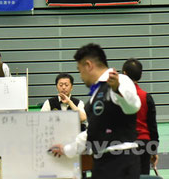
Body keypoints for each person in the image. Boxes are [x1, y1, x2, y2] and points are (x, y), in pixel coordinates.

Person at [49, 43, 141, 179]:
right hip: (102, 161)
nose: (81, 76)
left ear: (88, 65)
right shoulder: (96, 93)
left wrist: (117, 89)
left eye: (80, 70)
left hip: (122, 160)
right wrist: (66, 149)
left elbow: (133, 106)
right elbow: (93, 131)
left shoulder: (120, 80)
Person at [122, 59, 158, 176]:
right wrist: (154, 150)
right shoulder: (146, 97)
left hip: (123, 143)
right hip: (144, 143)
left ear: (124, 74)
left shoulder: (116, 97)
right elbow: (152, 126)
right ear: (140, 75)